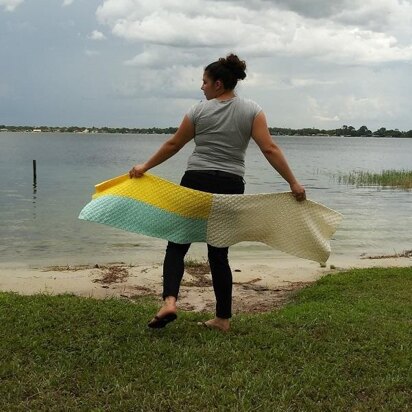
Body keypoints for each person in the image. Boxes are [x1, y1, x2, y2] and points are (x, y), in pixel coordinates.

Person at [129, 53, 306, 331]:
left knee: (177, 245)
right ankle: (222, 319)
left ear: (219, 85)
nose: (202, 87)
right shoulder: (252, 110)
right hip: (230, 184)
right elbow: (269, 149)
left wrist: (145, 166)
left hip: (195, 181)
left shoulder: (198, 111)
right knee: (218, 253)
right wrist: (293, 183)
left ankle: (170, 302)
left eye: (205, 82)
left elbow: (174, 145)